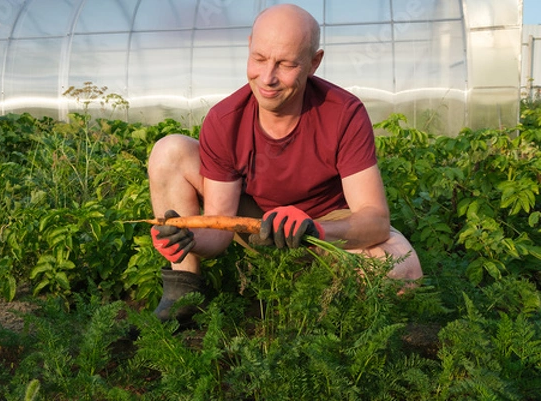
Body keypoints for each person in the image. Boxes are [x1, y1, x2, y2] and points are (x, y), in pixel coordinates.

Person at [147, 3, 423, 325]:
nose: (267, 78)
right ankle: (184, 292)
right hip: (255, 223)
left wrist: (316, 229)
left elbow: (374, 221)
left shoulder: (343, 113)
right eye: (259, 59)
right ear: (249, 45)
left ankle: (329, 304)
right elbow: (220, 227)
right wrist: (189, 237)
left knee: (403, 271)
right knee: (170, 150)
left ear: (313, 63)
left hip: (327, 225)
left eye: (286, 64)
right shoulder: (225, 121)